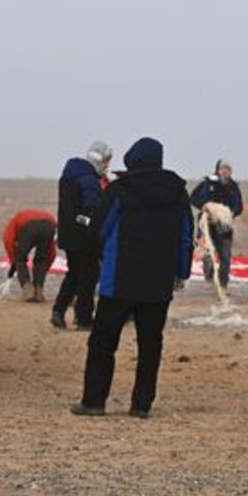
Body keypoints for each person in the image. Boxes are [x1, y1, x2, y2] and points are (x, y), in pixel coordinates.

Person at [71, 137, 191, 420]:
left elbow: (100, 229)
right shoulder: (178, 193)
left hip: (119, 279)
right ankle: (141, 405)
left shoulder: (119, 190)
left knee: (103, 341)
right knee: (150, 344)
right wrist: (180, 272)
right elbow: (186, 236)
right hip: (158, 282)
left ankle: (94, 401)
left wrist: (101, 256)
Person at [54, 141, 112, 330]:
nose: (107, 166)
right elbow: (91, 208)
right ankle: (84, 318)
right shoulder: (89, 180)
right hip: (84, 237)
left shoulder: (68, 177)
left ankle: (58, 310)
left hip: (67, 234)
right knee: (88, 277)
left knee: (73, 274)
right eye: (106, 161)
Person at [189, 159, 244, 288]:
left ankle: (223, 283)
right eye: (222, 168)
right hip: (207, 224)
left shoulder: (233, 187)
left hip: (224, 227)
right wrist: (204, 206)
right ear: (218, 170)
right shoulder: (207, 183)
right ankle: (209, 281)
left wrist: (230, 213)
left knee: (225, 255)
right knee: (208, 253)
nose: (225, 171)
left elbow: (239, 205)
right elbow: (193, 197)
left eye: (228, 169)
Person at [2, 209, 57, 303]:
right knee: (42, 259)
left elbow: (8, 241)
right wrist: (46, 267)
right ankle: (38, 291)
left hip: (29, 226)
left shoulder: (15, 220)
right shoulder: (22, 217)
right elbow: (50, 251)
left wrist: (13, 261)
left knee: (20, 259)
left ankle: (28, 290)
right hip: (50, 225)